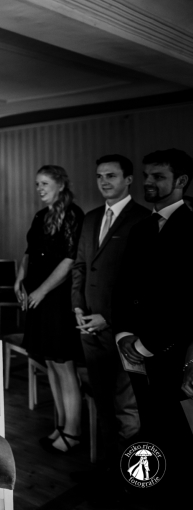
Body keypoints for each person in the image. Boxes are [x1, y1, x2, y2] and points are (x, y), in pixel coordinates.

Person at [112, 148, 193, 503]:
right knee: (149, 422)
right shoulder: (141, 227)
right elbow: (123, 286)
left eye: (158, 177)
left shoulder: (191, 226)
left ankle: (173, 492)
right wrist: (123, 333)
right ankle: (149, 487)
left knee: (174, 427)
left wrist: (146, 344)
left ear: (181, 181)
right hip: (132, 346)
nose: (148, 182)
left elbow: (186, 300)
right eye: (146, 175)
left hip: (172, 349)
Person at [70, 155, 148, 477]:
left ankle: (133, 474)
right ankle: (110, 469)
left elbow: (144, 281)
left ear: (128, 179)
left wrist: (110, 318)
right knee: (101, 401)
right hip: (88, 328)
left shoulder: (143, 219)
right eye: (100, 176)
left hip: (124, 331)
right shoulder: (90, 218)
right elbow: (80, 266)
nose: (104, 181)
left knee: (126, 406)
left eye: (111, 175)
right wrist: (78, 306)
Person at [15, 165, 84, 453]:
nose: (39, 189)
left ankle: (73, 432)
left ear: (60, 185)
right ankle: (61, 425)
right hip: (36, 298)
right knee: (51, 366)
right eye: (37, 184)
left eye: (44, 183)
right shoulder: (40, 215)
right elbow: (29, 252)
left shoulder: (73, 214)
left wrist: (42, 290)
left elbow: (70, 260)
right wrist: (19, 280)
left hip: (57, 300)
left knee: (64, 366)